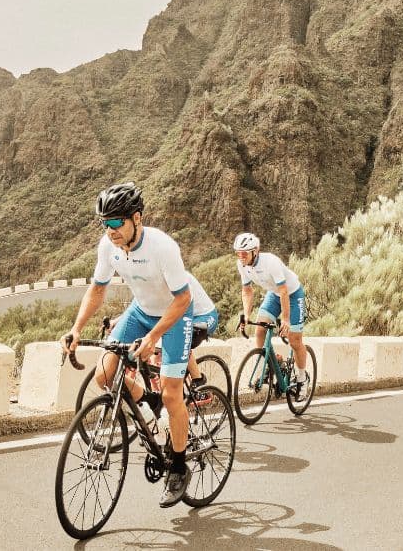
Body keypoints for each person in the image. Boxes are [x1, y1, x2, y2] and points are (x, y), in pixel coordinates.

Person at [61, 182, 218, 507]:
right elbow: (97, 290)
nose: (110, 230)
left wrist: (153, 338)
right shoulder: (109, 246)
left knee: (173, 392)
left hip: (181, 312)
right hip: (143, 310)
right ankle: (148, 402)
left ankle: (177, 467)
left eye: (117, 222)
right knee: (105, 375)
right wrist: (76, 329)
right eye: (105, 223)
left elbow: (182, 298)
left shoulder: (162, 247)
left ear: (137, 218)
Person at [232, 232, 310, 399]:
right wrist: (246, 315)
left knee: (295, 340)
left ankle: (302, 379)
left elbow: (284, 291)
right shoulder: (242, 265)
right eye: (238, 253)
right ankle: (273, 363)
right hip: (274, 294)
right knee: (260, 330)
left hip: (293, 294)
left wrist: (286, 320)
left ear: (255, 251)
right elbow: (247, 291)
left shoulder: (271, 262)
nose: (241, 256)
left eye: (244, 253)